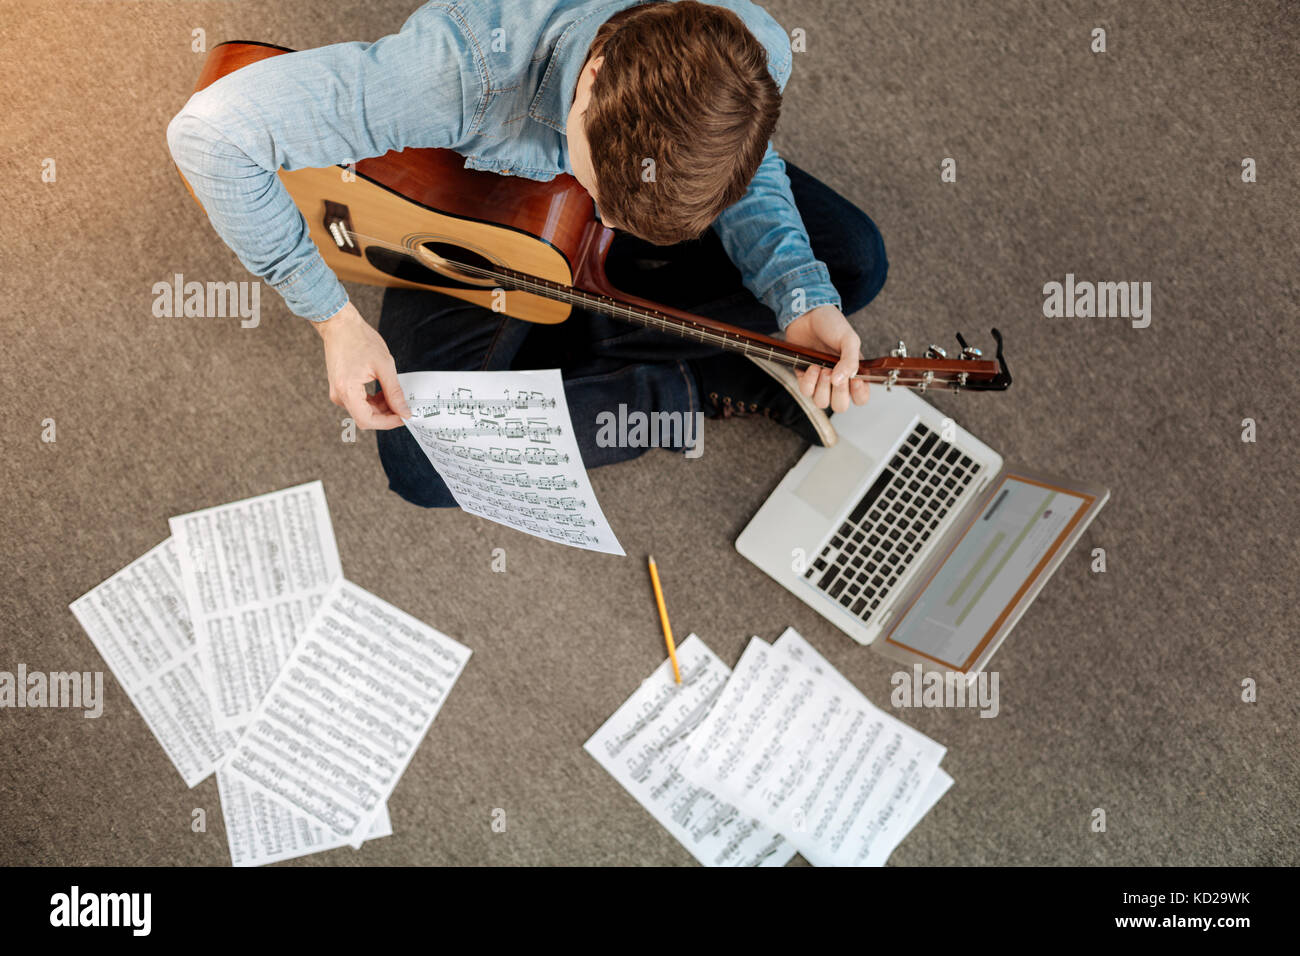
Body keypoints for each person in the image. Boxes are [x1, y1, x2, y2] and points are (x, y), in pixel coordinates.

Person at [168, 0, 888, 508]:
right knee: (424, 462)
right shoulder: (453, 75)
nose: (610, 218)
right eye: (598, 188)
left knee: (851, 264)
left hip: (543, 232)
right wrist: (334, 320)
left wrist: (799, 295)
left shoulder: (756, 45)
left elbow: (751, 168)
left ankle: (594, 318)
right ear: (596, 77)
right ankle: (685, 385)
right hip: (471, 206)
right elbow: (209, 135)